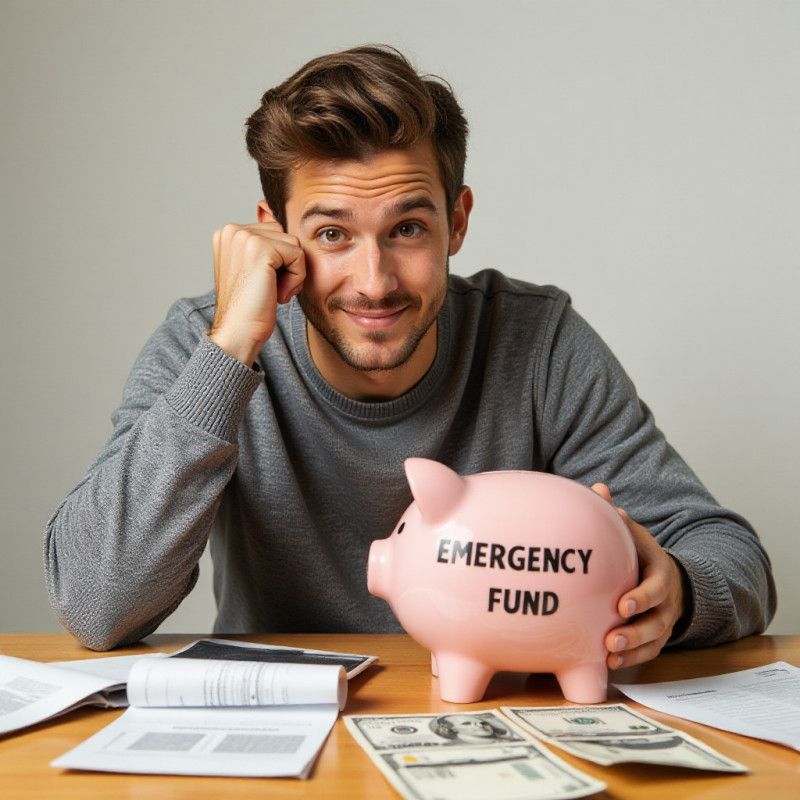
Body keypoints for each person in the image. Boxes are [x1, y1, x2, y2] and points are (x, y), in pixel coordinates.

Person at [44, 45, 776, 670]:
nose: (375, 281)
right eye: (332, 235)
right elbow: (95, 603)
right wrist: (232, 348)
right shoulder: (205, 348)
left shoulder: (537, 342)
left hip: (501, 716)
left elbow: (733, 559)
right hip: (288, 732)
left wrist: (675, 590)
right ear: (273, 233)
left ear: (456, 222)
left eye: (407, 228)